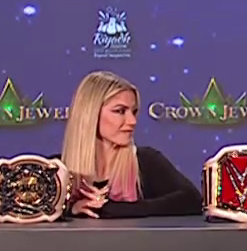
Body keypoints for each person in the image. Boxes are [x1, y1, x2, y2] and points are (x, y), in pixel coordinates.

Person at [59, 71, 201, 218]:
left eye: (134, 112)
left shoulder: (146, 162)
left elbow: (192, 200)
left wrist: (120, 209)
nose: (132, 121)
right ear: (90, 115)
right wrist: (70, 210)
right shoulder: (57, 170)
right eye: (120, 111)